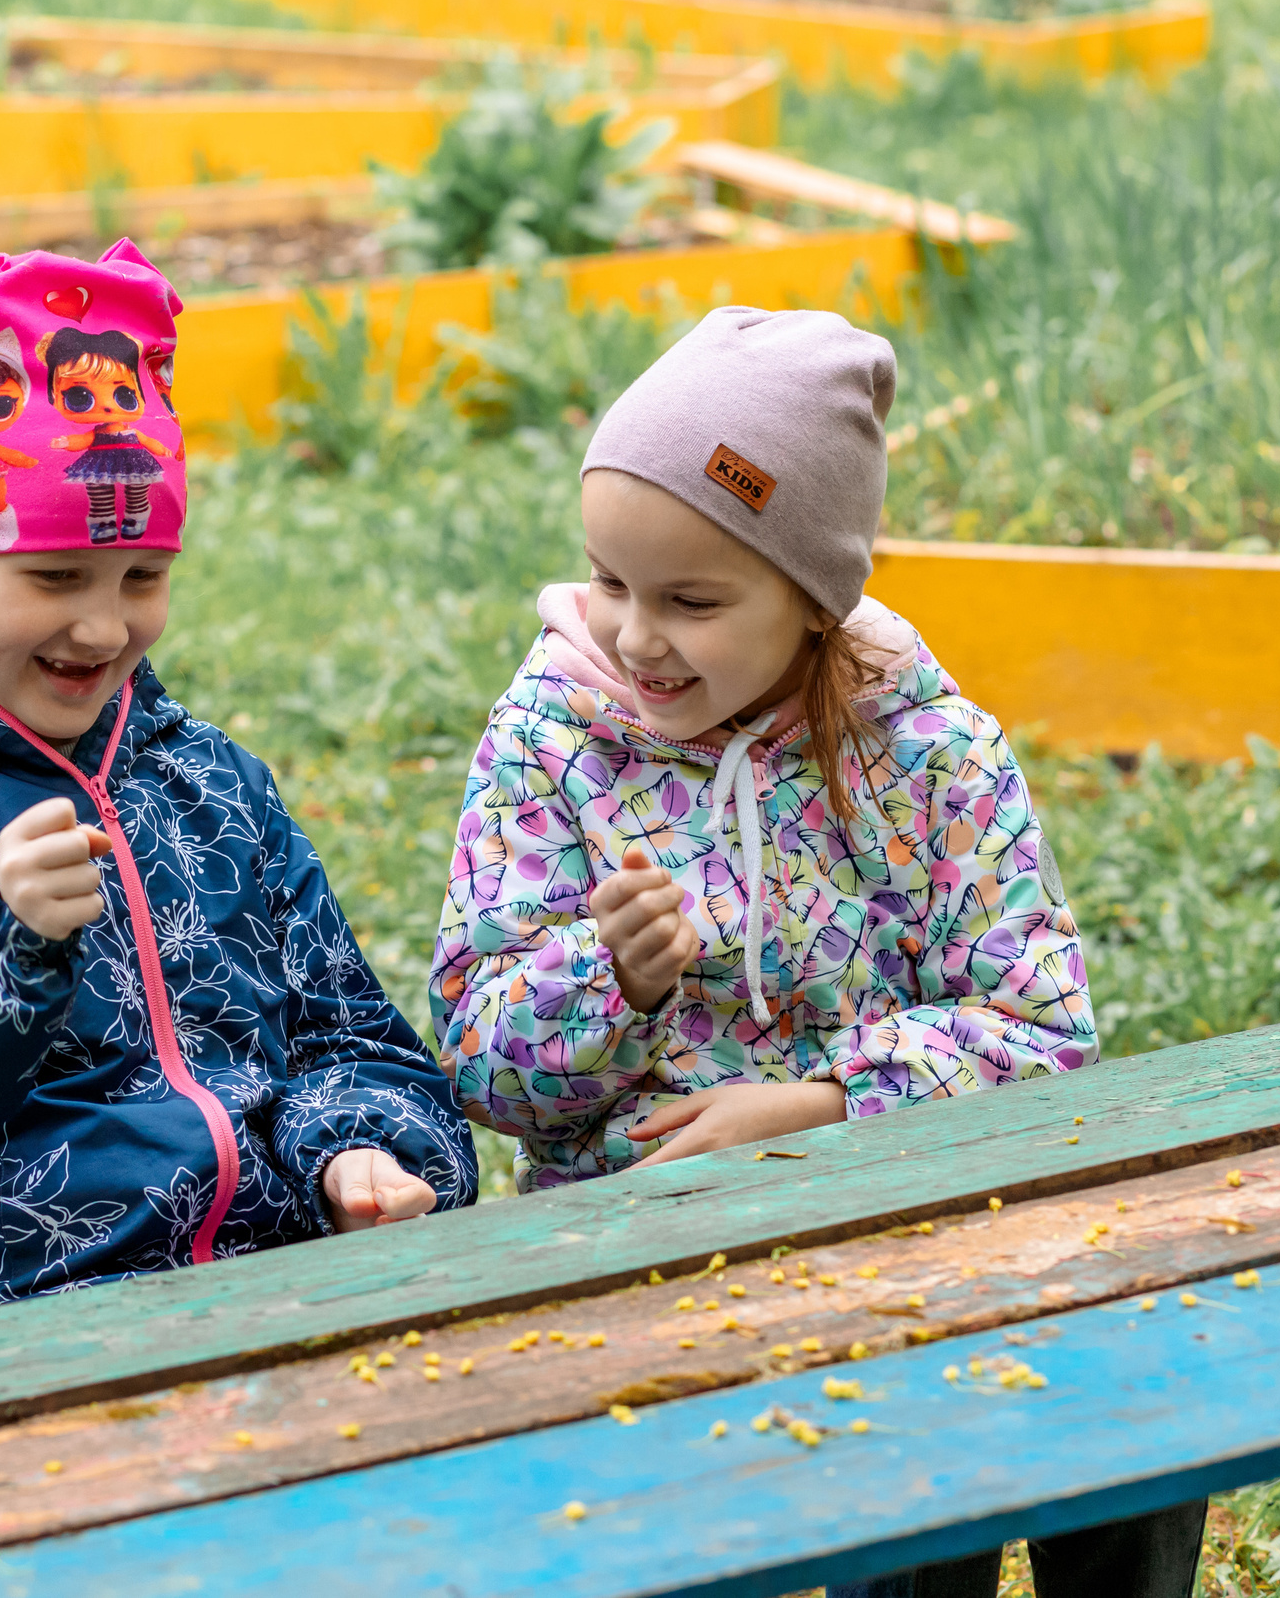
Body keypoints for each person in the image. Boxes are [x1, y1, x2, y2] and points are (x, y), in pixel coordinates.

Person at [427, 307, 1194, 1596]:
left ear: (812, 596)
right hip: (636, 1243)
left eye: (692, 600)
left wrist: (827, 1108)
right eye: (610, 581)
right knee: (885, 1465)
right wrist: (604, 978)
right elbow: (482, 1075)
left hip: (906, 1216)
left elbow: (1042, 1031)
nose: (632, 637)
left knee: (1133, 1406)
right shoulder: (549, 745)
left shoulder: (935, 756)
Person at [0, 229, 475, 1328]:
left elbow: (348, 1034)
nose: (104, 622)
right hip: (37, 1342)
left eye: (144, 577)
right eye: (54, 574)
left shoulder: (208, 783)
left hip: (297, 1298)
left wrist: (361, 1149)